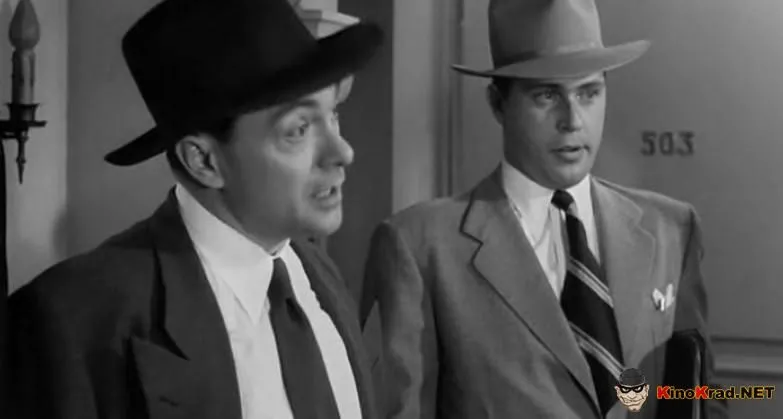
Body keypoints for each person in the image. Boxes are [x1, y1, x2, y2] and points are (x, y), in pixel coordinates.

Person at [7, 0, 383, 417]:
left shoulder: (320, 275)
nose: (343, 152)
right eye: (298, 129)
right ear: (204, 161)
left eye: (333, 115)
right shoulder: (72, 319)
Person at [361, 0, 728, 418]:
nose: (572, 119)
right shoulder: (420, 248)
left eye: (588, 93)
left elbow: (698, 398)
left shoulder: (671, 229)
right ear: (498, 104)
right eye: (547, 95)